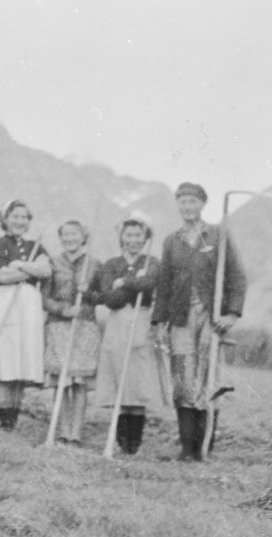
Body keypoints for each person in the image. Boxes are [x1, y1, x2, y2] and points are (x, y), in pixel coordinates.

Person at [151, 182, 247, 461]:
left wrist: (231, 313)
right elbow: (164, 284)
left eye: (192, 202)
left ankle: (204, 446)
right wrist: (159, 321)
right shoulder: (172, 241)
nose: (187, 207)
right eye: (182, 202)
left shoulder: (218, 236)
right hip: (180, 318)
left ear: (202, 204)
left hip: (210, 318)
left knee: (208, 377)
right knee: (183, 380)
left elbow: (237, 276)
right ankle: (186, 448)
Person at [0, 200, 52, 429]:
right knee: (5, 356)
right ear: (5, 219)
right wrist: (30, 269)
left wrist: (18, 264)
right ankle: (4, 419)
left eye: (24, 217)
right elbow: (2, 276)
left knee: (22, 357)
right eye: (15, 216)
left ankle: (14, 416)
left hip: (29, 304)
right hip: (4, 302)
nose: (19, 221)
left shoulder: (36, 246)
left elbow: (46, 270)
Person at [96, 217, 160, 454]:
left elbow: (151, 282)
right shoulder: (112, 264)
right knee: (118, 377)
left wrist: (123, 282)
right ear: (121, 238)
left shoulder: (151, 261)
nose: (133, 240)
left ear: (145, 238)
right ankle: (122, 439)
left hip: (141, 319)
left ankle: (135, 441)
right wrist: (135, 284)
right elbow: (109, 298)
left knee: (138, 380)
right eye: (129, 235)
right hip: (117, 322)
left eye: (138, 236)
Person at [43, 220, 103, 445]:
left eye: (74, 234)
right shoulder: (53, 263)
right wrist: (63, 309)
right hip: (58, 326)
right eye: (65, 234)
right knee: (61, 382)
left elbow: (104, 296)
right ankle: (61, 431)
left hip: (85, 327)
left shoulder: (95, 264)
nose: (70, 239)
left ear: (83, 236)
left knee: (78, 383)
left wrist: (88, 295)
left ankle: (75, 433)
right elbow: (44, 298)